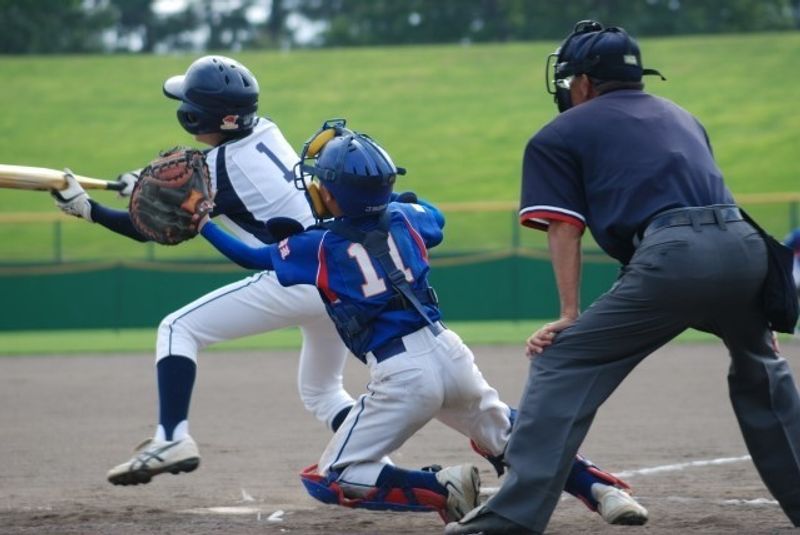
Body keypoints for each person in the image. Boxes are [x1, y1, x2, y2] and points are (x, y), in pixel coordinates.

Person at [197, 119, 649, 524]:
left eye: (322, 183)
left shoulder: (317, 246)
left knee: (331, 479)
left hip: (401, 373)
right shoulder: (408, 217)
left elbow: (250, 256)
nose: (316, 187)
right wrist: (385, 197)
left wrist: (204, 224)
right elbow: (435, 215)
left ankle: (441, 489)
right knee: (514, 439)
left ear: (333, 192)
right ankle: (603, 491)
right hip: (450, 354)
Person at [446, 20, 800, 535]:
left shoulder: (560, 133)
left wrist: (569, 315)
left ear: (585, 83)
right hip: (746, 248)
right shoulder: (683, 117)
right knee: (760, 370)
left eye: (569, 81)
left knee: (563, 361)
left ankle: (510, 519)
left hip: (675, 254)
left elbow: (565, 227)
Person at [51, 55, 356, 485]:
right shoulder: (266, 130)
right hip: (334, 277)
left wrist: (88, 209)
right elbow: (204, 173)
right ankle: (373, 462)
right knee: (323, 391)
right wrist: (139, 182)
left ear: (195, 117)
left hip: (291, 276)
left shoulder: (220, 169)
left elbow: (153, 227)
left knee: (177, 329)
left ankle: (171, 436)